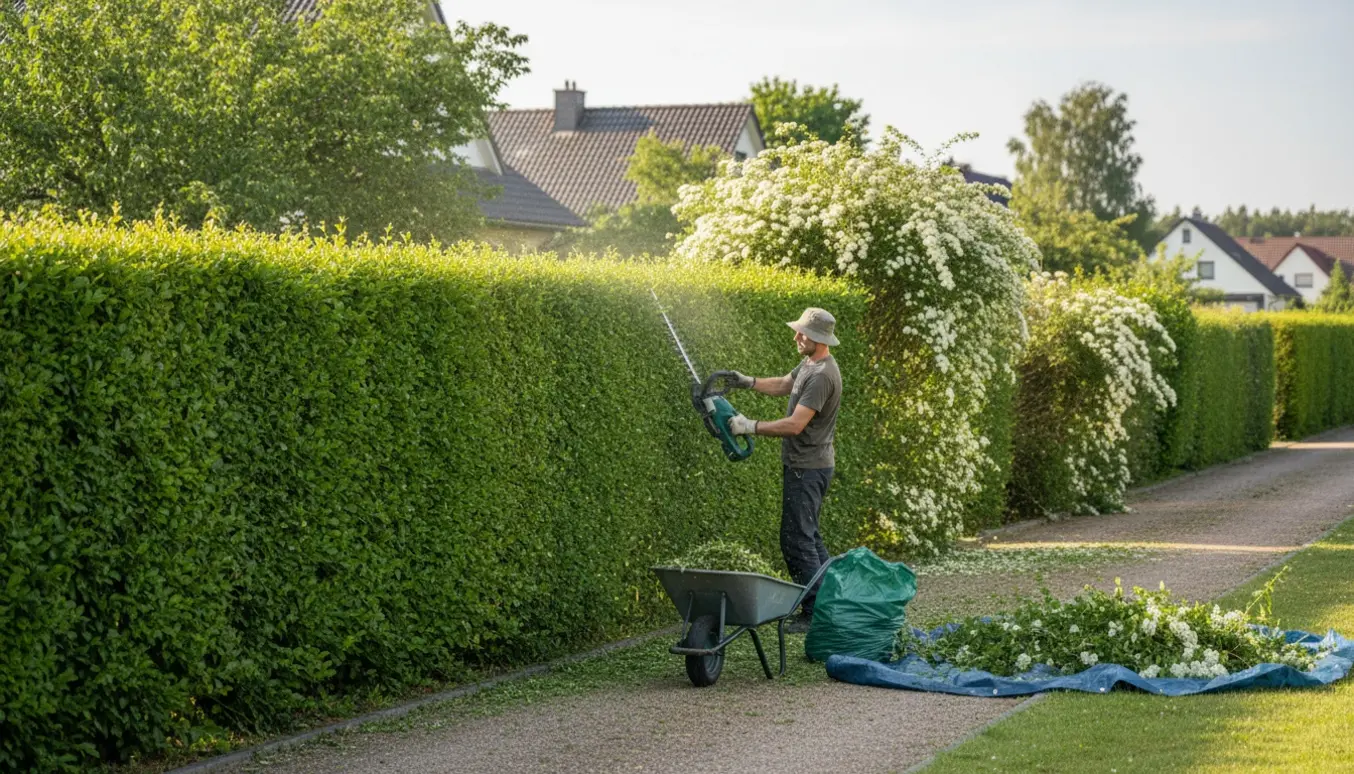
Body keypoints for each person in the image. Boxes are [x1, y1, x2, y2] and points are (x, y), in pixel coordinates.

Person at [726, 307, 842, 632]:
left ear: (817, 339)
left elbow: (794, 425)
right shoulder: (809, 363)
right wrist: (747, 382)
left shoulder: (822, 376)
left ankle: (814, 613)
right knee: (808, 536)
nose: (796, 337)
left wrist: (750, 426)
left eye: (802, 333)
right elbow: (782, 384)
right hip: (806, 466)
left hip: (809, 468)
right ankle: (830, 603)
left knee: (796, 540)